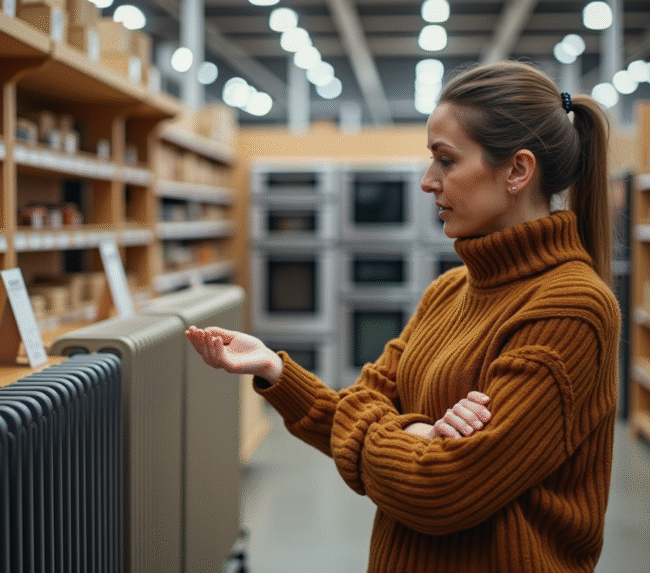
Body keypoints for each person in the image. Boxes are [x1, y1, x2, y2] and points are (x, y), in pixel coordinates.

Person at [186, 60, 621, 572]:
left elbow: (444, 488)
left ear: (518, 171)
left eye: (446, 161)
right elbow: (365, 403)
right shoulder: (450, 290)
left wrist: (407, 436)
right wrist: (278, 372)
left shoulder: (572, 309)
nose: (427, 182)